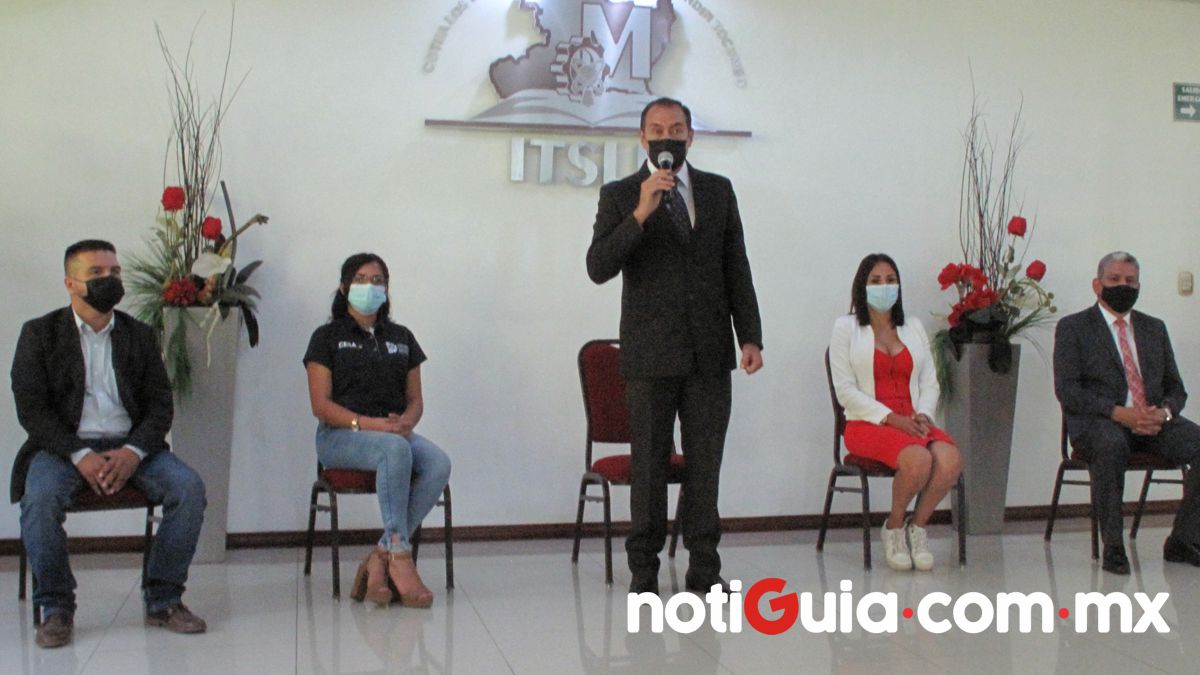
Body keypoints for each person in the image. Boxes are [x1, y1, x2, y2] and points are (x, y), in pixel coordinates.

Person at [586, 97, 763, 595]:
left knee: (706, 467)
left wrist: (750, 335)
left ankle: (704, 570)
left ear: (690, 136)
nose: (668, 137)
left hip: (709, 353)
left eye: (677, 129)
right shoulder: (621, 195)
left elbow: (736, 266)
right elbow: (598, 266)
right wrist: (640, 214)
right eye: (658, 130)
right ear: (643, 138)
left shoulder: (717, 191)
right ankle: (644, 573)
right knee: (649, 468)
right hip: (649, 356)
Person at [11, 239, 208, 649]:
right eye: (97, 273)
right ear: (70, 283)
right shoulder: (39, 334)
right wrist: (78, 454)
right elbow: (32, 409)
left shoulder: (139, 335)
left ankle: (164, 599)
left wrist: (133, 452)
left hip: (132, 446)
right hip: (63, 448)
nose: (110, 279)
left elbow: (160, 405)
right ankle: (56, 609)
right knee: (40, 499)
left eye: (115, 272)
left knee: (189, 488)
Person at [303, 253, 451, 608]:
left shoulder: (402, 337)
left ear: (386, 289)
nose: (370, 287)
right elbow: (320, 405)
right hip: (340, 437)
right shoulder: (326, 337)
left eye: (377, 281)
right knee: (395, 450)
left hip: (393, 434)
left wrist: (406, 422)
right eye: (361, 279)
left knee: (438, 462)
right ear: (344, 288)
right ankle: (399, 556)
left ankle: (379, 556)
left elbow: (415, 400)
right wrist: (370, 425)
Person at [1053, 251, 1200, 575]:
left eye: (1130, 281)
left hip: (1152, 423)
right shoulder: (1074, 328)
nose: (1123, 286)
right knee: (1111, 445)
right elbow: (1068, 391)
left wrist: (1163, 413)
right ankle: (1113, 547)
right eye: (1115, 279)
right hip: (1100, 423)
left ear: (1139, 286)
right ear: (1097, 285)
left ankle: (1184, 539)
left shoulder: (1154, 328)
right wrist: (1119, 413)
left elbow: (1176, 389)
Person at [828, 253, 962, 571]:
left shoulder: (912, 327)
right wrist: (891, 418)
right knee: (918, 460)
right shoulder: (846, 328)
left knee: (951, 460)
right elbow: (845, 391)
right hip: (867, 422)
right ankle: (894, 527)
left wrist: (924, 414)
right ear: (862, 287)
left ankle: (918, 527)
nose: (884, 286)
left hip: (912, 421)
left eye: (890, 280)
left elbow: (930, 381)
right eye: (875, 281)